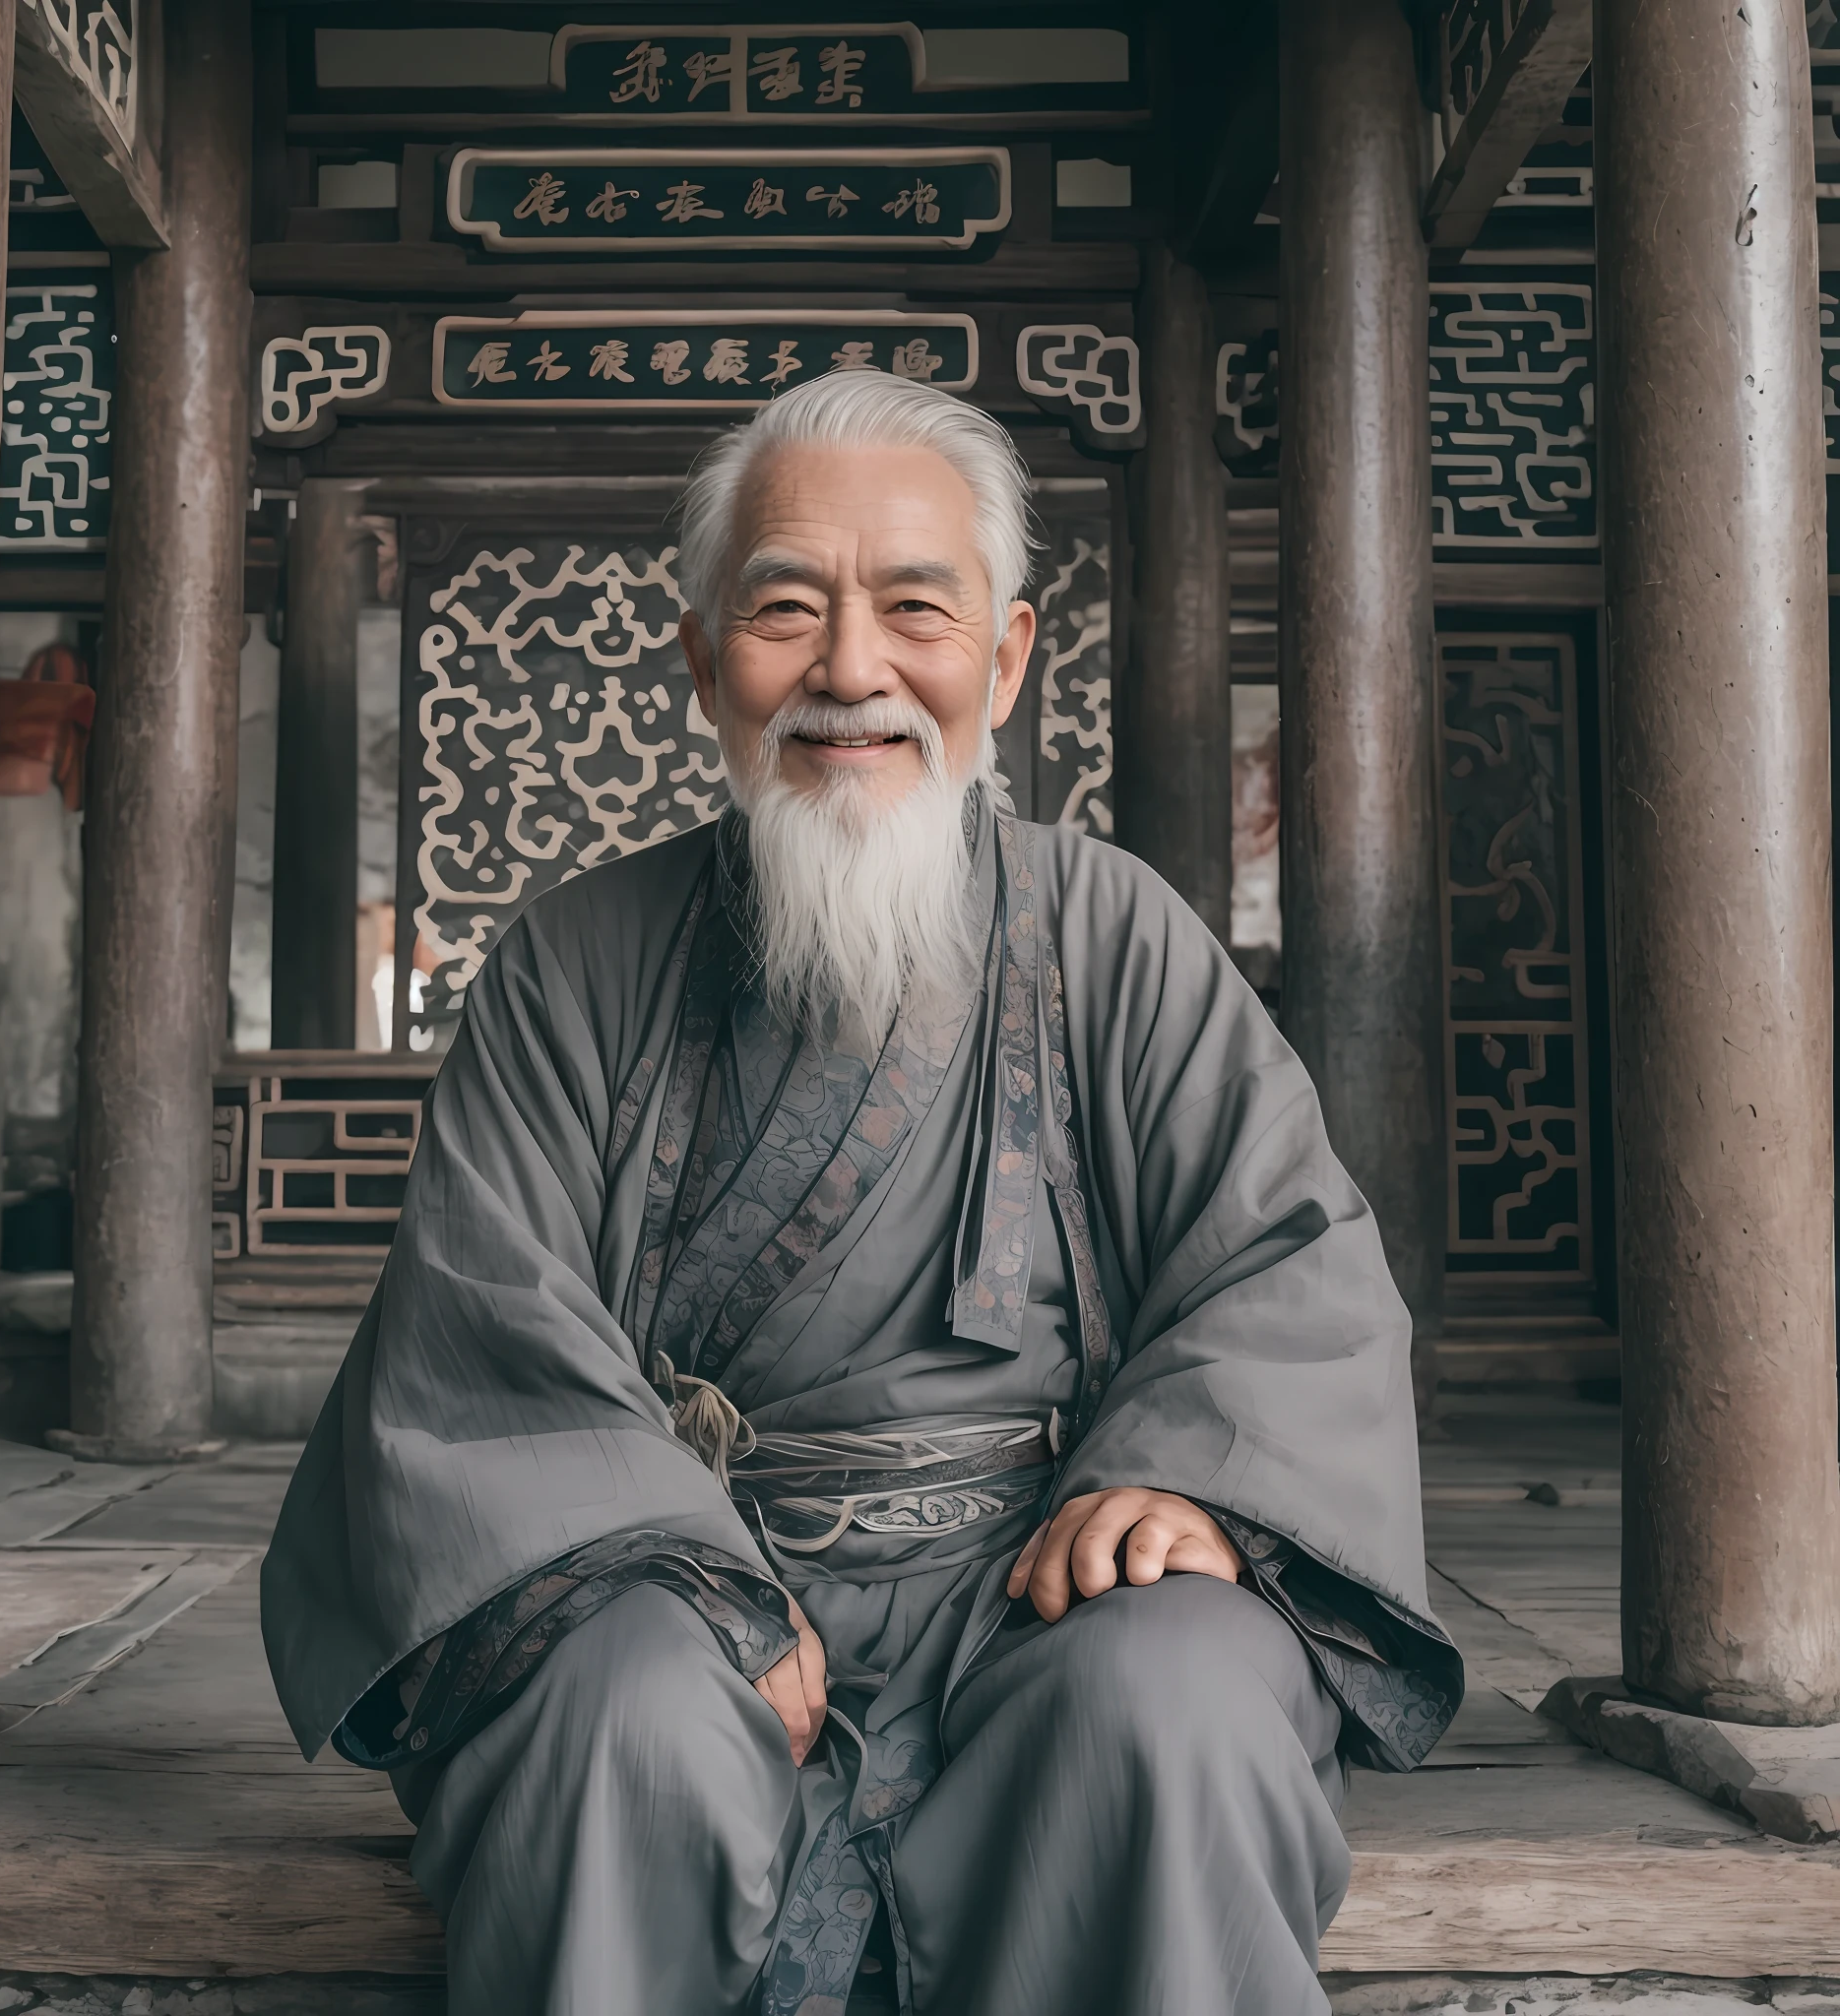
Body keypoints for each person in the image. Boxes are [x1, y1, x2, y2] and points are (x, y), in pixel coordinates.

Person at [261, 371, 1462, 2016]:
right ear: (701, 662)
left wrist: (1193, 1482)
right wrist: (687, 1573)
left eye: (914, 608)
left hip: (1051, 1571)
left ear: (1007, 657)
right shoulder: (576, 963)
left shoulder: (1113, 932)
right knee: (620, 1728)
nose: (850, 671)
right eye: (783, 612)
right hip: (672, 1572)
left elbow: (1285, 1258)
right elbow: (485, 1325)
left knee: (1172, 1709)